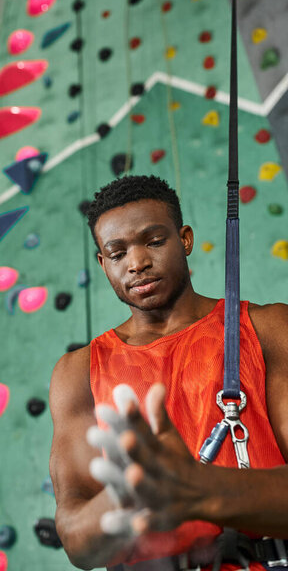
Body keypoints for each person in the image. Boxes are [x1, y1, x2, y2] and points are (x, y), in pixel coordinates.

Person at [49, 174, 288, 571]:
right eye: (117, 252)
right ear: (102, 262)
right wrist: (128, 496)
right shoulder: (76, 372)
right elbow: (77, 543)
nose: (137, 262)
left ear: (185, 239)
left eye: (154, 241)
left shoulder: (268, 329)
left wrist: (198, 490)